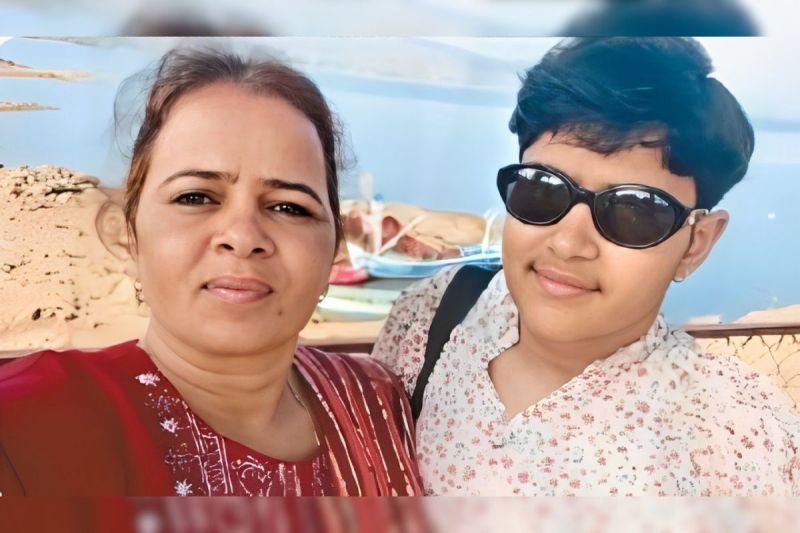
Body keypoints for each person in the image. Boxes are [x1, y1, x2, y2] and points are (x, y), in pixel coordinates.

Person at [373, 37, 800, 495]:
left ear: (696, 244)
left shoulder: (736, 439)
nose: (568, 243)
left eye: (634, 210)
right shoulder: (433, 316)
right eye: (542, 187)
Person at [0, 47, 422, 496]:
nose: (242, 236)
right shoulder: (28, 427)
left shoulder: (380, 403)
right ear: (128, 237)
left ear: (333, 250)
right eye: (195, 197)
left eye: (289, 207)